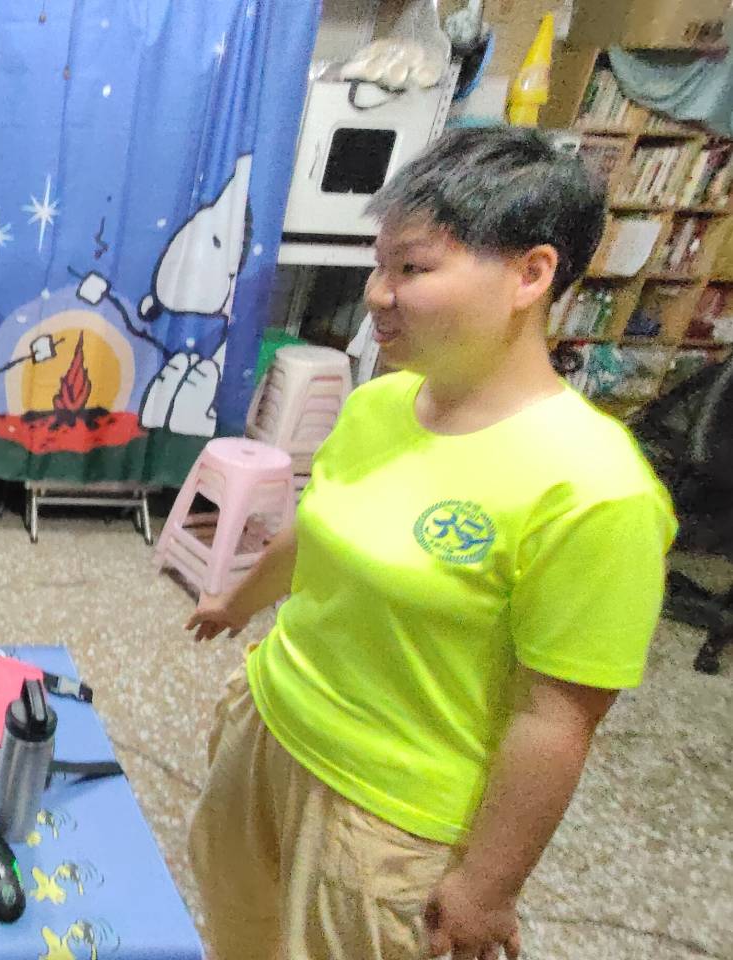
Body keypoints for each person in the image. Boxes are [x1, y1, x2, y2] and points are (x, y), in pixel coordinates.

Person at [185, 127, 675, 960]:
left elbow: (556, 721)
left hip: (385, 819)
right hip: (271, 726)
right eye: (379, 265)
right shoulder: (381, 403)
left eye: (412, 268)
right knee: (238, 930)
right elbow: (316, 530)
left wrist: (489, 884)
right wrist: (236, 603)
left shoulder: (596, 489)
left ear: (531, 274)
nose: (377, 294)